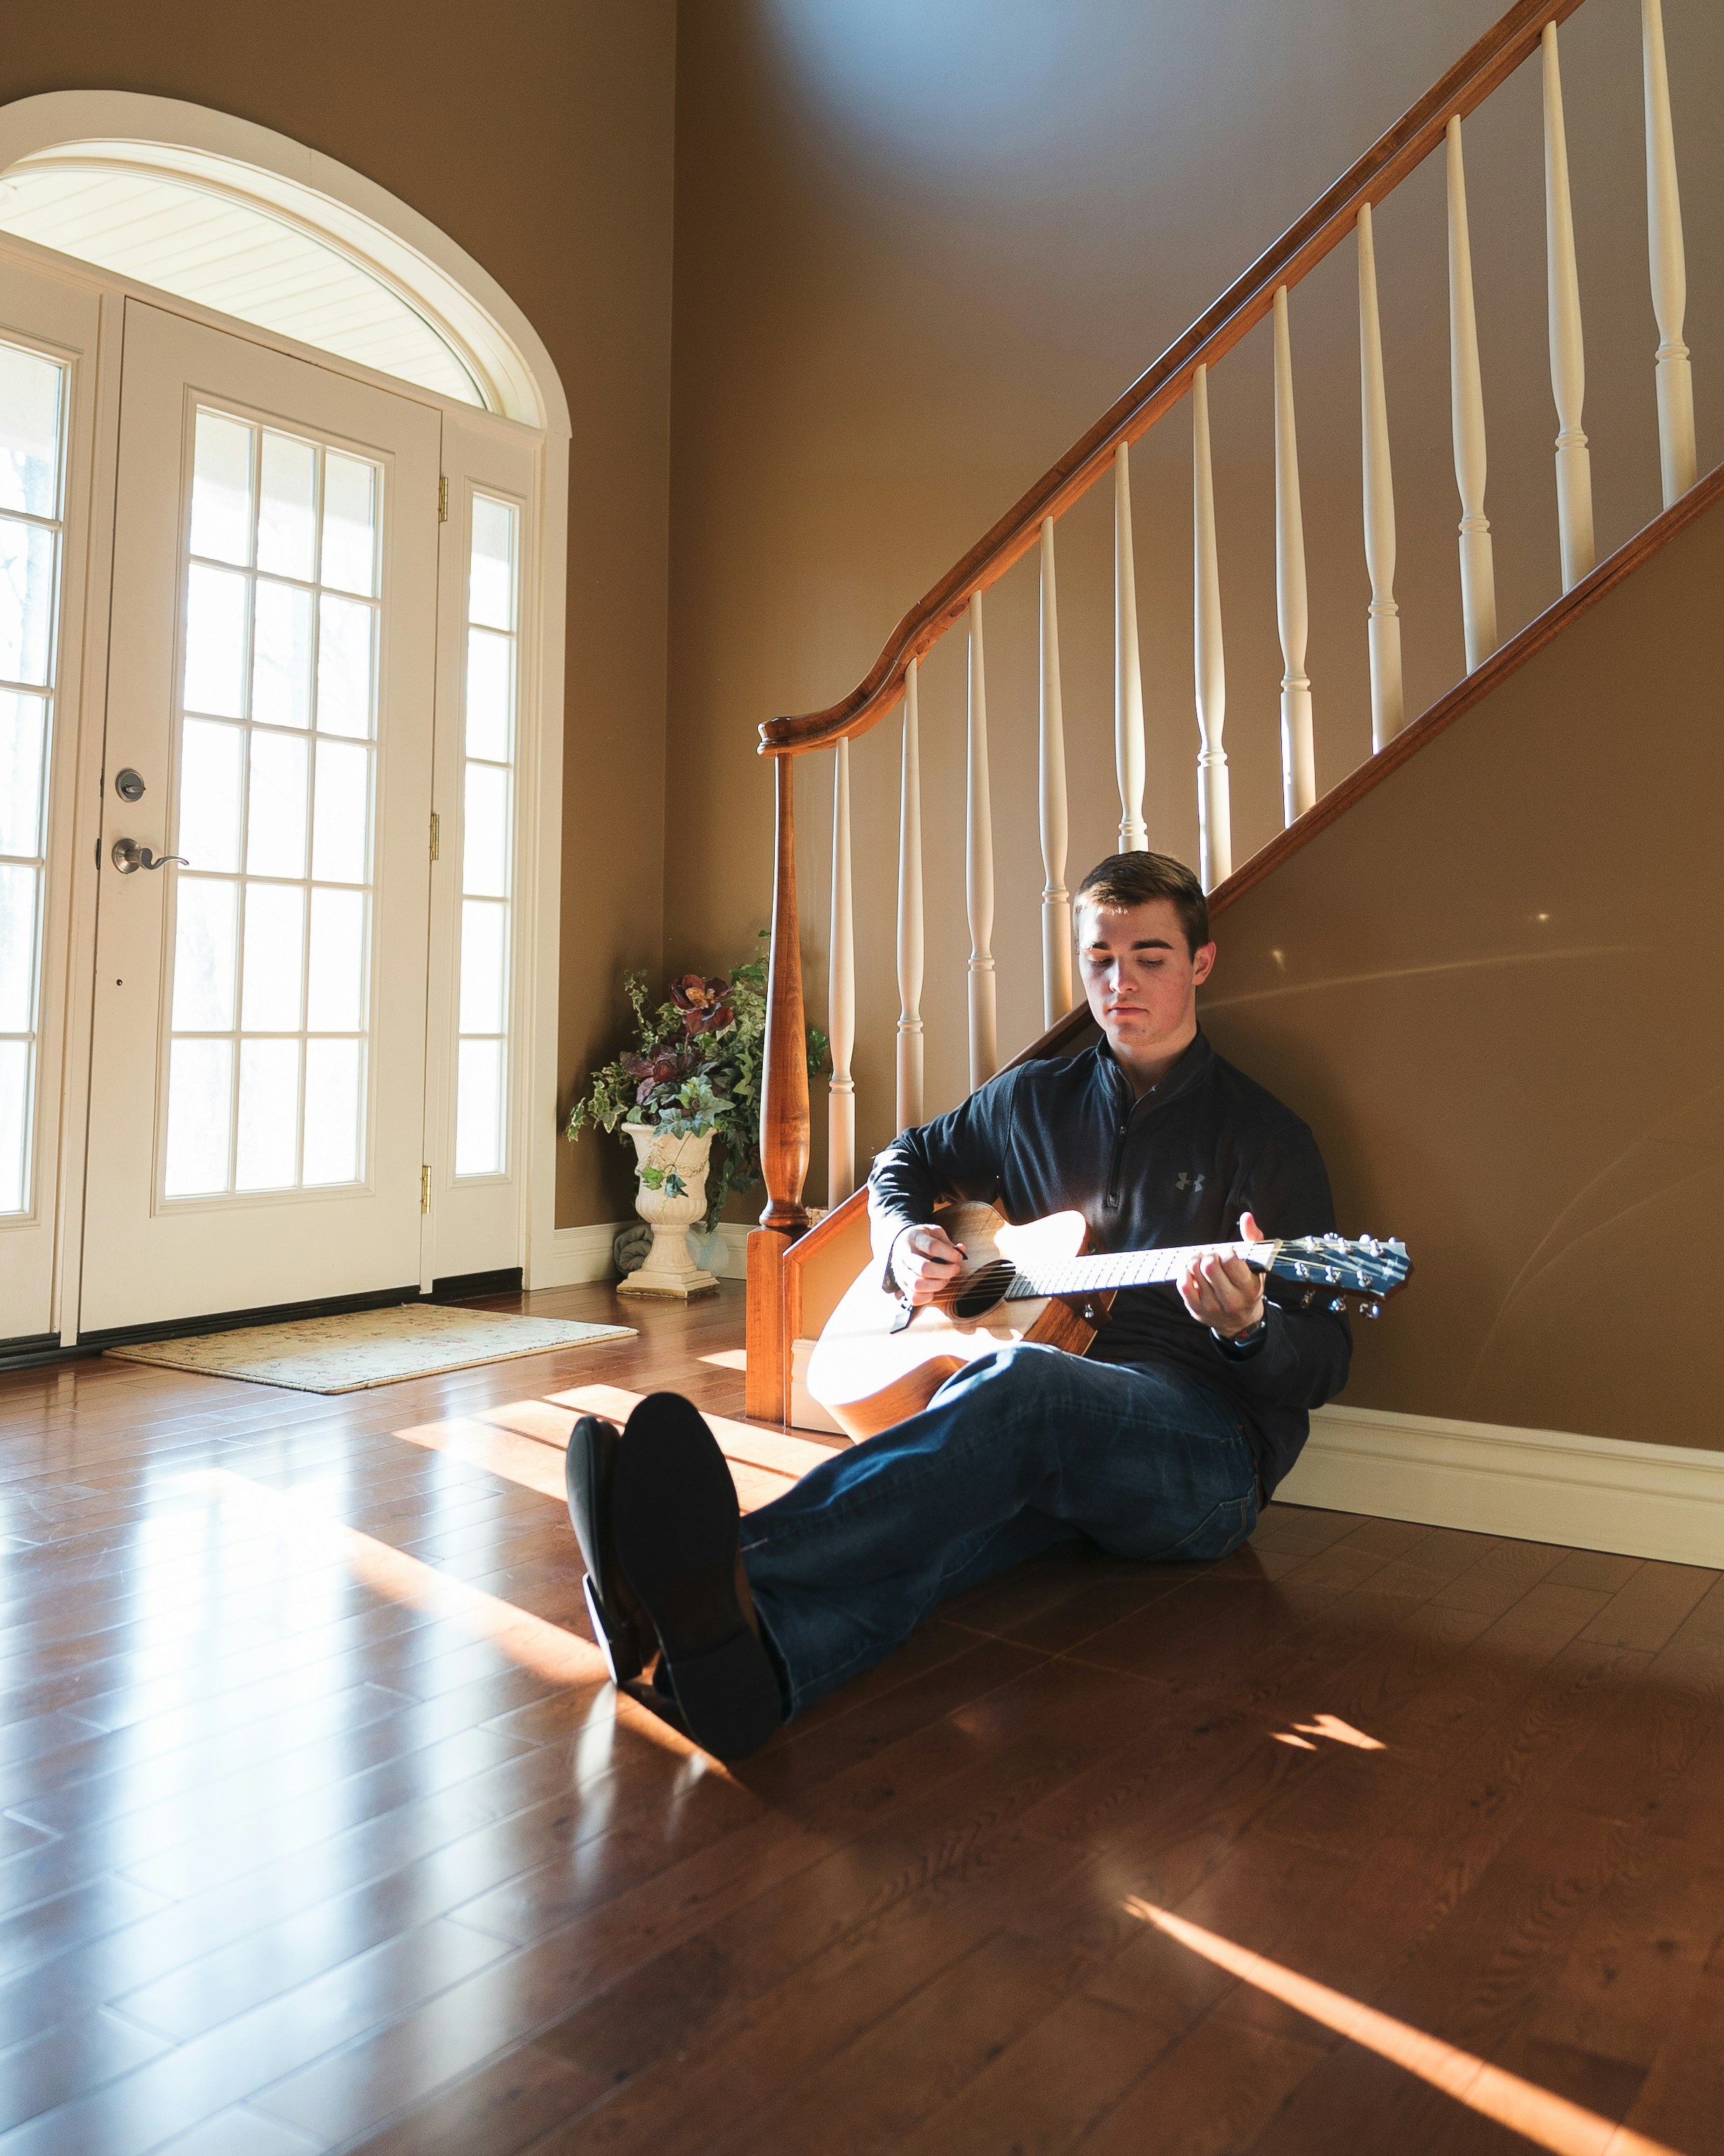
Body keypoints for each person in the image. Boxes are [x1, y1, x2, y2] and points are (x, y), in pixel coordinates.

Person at [566, 850, 1351, 1761]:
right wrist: (901, 1241)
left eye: (1150, 956)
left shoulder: (1264, 1137)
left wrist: (1248, 1330)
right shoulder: (1031, 1099)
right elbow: (903, 1162)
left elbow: (1326, 1358)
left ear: (1199, 962)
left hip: (1204, 1457)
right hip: (1042, 1428)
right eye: (1099, 957)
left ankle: (712, 1569)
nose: (1119, 980)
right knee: (944, 1526)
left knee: (1023, 1381)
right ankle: (751, 1677)